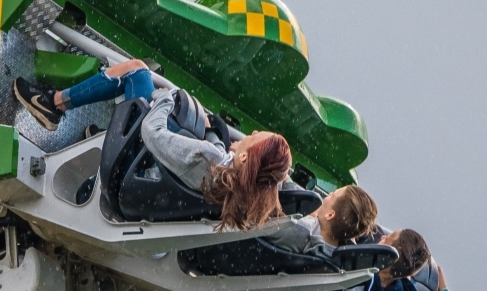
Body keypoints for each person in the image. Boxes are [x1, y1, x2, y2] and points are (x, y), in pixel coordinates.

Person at [15, 59, 295, 233]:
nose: (252, 132)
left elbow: (152, 133)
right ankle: (105, 132)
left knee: (136, 71)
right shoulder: (237, 191)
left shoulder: (210, 159)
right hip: (142, 188)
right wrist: (213, 133)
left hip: (130, 164)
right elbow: (208, 159)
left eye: (255, 137)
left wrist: (165, 98)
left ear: (246, 159)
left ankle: (52, 105)